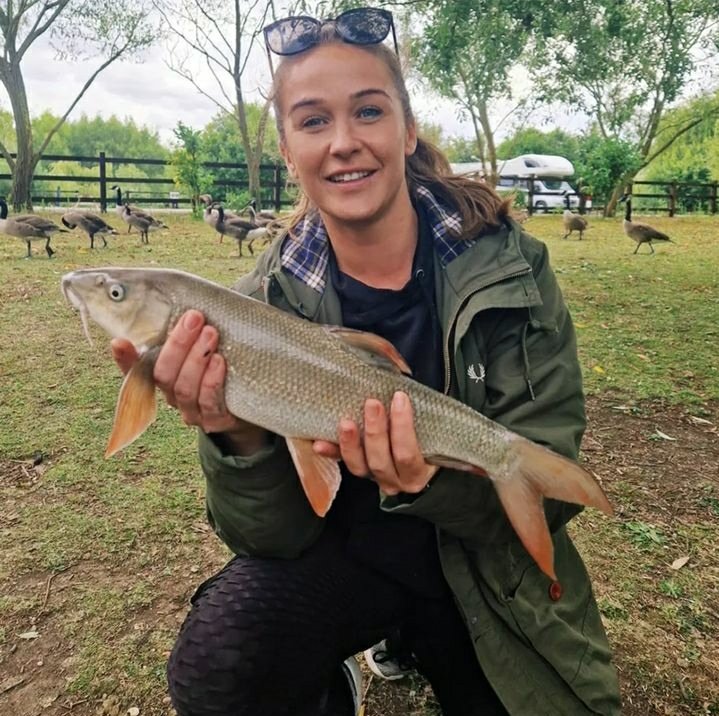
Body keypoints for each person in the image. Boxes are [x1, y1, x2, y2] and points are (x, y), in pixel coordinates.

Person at [112, 7, 621, 715]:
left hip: (476, 565)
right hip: (340, 560)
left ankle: (419, 643)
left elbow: (552, 490)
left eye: (368, 111)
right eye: (313, 121)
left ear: (407, 130)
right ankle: (333, 678)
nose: (344, 143)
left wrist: (426, 484)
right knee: (217, 670)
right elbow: (268, 536)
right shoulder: (250, 303)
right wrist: (237, 435)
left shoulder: (511, 268)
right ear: (288, 149)